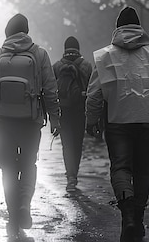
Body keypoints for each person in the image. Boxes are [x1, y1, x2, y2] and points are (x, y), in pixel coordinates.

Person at [85, 6, 149, 242]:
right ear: (139, 27)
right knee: (142, 169)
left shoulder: (105, 56)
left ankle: (128, 216)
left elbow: (94, 93)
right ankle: (139, 218)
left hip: (116, 120)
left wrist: (91, 120)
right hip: (146, 121)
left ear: (117, 29)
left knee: (121, 167)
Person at [0, 13, 60, 239]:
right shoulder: (39, 54)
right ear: (26, 31)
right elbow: (50, 88)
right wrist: (55, 117)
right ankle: (24, 205)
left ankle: (12, 216)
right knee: (28, 164)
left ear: (7, 32)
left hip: (4, 121)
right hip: (31, 121)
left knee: (8, 167)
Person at [52, 36, 92, 192]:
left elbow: (50, 91)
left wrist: (51, 114)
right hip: (80, 110)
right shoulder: (87, 66)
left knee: (66, 144)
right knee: (77, 144)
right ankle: (74, 174)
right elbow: (93, 90)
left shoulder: (56, 66)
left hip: (63, 110)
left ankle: (70, 176)